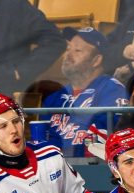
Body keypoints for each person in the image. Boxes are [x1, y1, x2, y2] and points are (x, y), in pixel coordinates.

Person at [43, 27, 129, 158]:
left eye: (77, 50)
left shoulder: (112, 90)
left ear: (96, 60)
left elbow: (97, 142)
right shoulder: (55, 97)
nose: (68, 56)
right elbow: (41, 140)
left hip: (89, 169)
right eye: (68, 49)